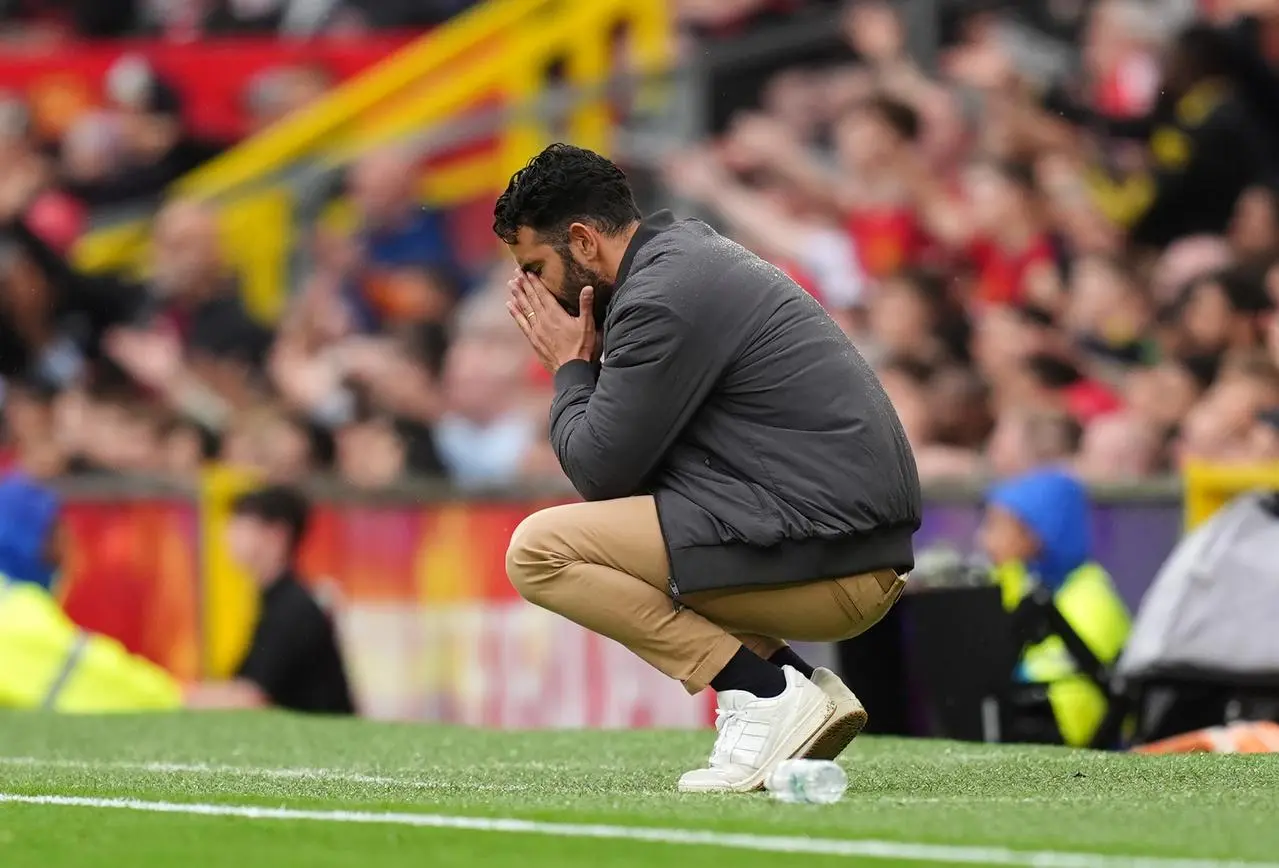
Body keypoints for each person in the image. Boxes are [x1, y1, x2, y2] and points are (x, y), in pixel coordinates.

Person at [495, 144, 920, 793]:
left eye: (536, 267)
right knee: (621, 546)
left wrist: (570, 367)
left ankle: (764, 694)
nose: (534, 291)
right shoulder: (676, 266)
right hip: (833, 542)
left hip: (833, 557)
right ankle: (794, 688)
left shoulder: (661, 295)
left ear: (581, 241)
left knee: (540, 552)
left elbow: (598, 472)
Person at [979, 468, 1131, 747]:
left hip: (1071, 738)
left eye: (998, 526)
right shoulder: (1017, 579)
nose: (984, 539)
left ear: (1038, 533)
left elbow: (1077, 703)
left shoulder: (1091, 596)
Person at [185, 485, 355, 714]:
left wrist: (168, 695)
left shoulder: (293, 609)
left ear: (277, 535)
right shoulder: (273, 600)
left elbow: (250, 695)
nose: (228, 535)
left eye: (241, 525)